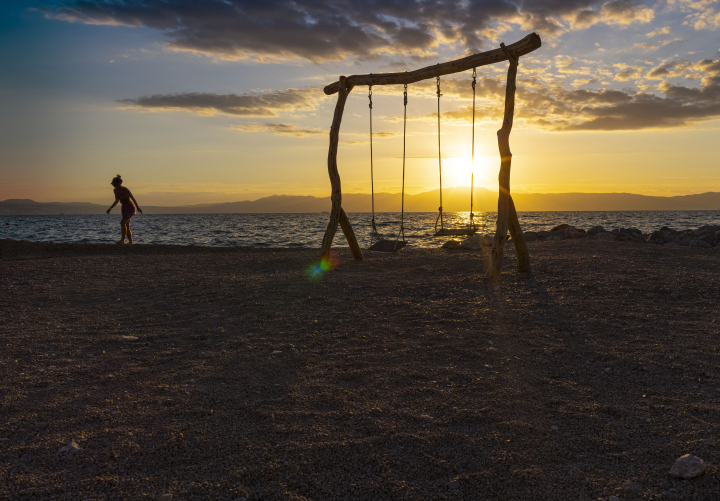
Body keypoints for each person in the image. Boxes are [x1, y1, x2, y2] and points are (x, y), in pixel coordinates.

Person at [106, 174, 142, 244]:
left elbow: (132, 198)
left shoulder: (125, 189)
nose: (114, 185)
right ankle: (130, 241)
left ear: (118, 183)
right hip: (124, 208)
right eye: (113, 184)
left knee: (122, 222)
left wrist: (137, 207)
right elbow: (117, 201)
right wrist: (110, 208)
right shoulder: (115, 191)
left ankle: (122, 240)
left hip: (130, 207)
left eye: (114, 184)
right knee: (127, 225)